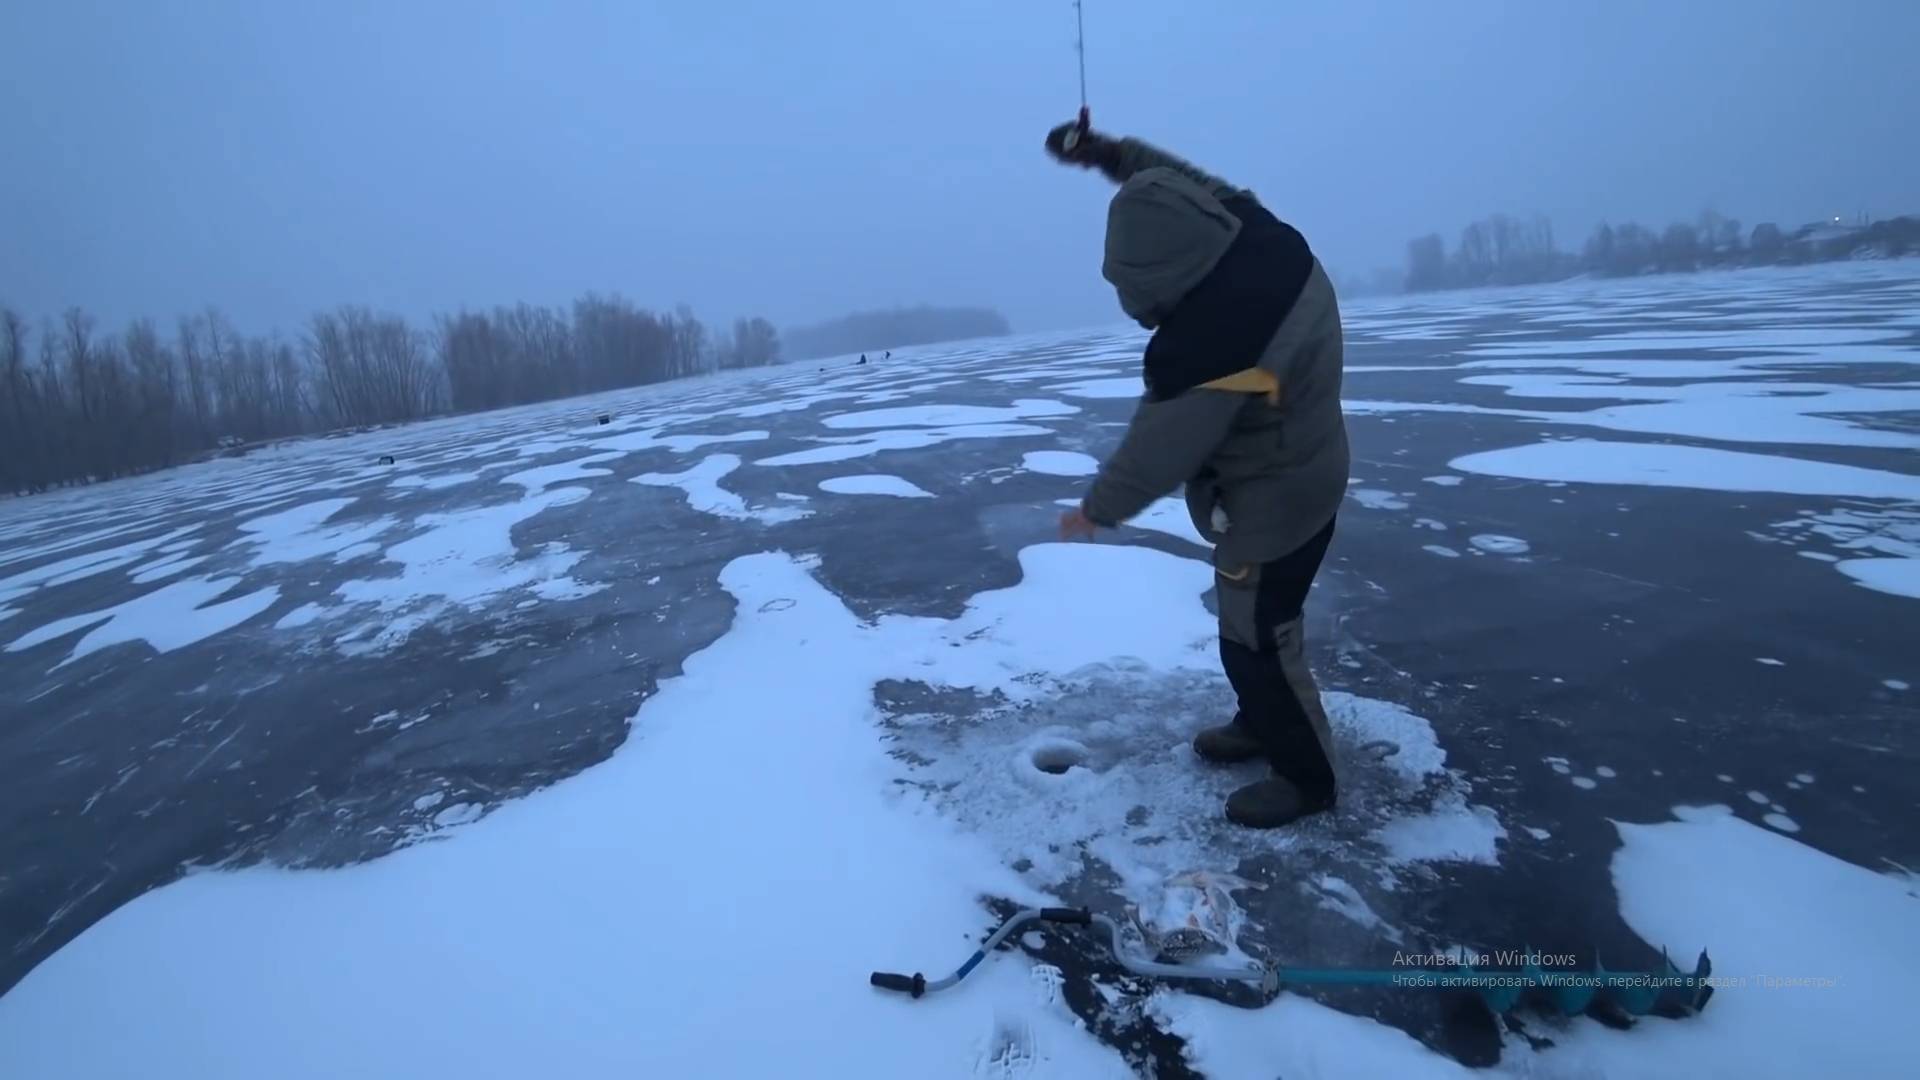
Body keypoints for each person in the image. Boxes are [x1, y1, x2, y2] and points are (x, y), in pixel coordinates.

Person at [1045, 122, 1350, 829]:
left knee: (1255, 638)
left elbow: (1159, 447)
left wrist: (1095, 509)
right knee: (1253, 630)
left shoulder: (1217, 341)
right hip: (1311, 460)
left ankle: (1308, 777)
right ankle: (1261, 720)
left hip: (1277, 503)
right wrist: (1112, 156)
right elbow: (1188, 186)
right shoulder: (1252, 232)